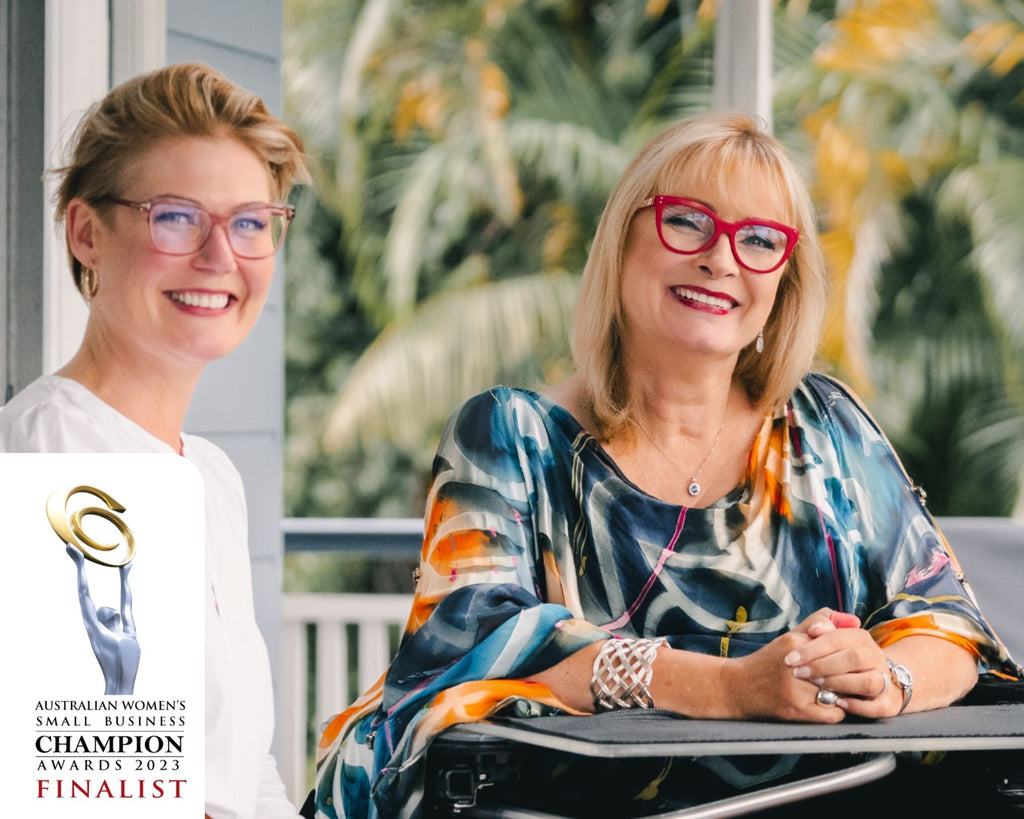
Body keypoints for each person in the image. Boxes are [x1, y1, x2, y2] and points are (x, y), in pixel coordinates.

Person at [312, 112, 1022, 818]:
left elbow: (950, 624)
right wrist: (732, 687)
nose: (722, 259)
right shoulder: (511, 435)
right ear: (623, 240)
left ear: (783, 283)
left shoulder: (827, 426)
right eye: (688, 221)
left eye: (760, 240)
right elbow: (479, 639)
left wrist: (885, 676)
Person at [0, 62, 310, 818]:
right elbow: (100, 799)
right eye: (175, 215)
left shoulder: (209, 474)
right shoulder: (62, 455)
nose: (220, 256)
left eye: (249, 222)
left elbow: (242, 776)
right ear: (86, 233)